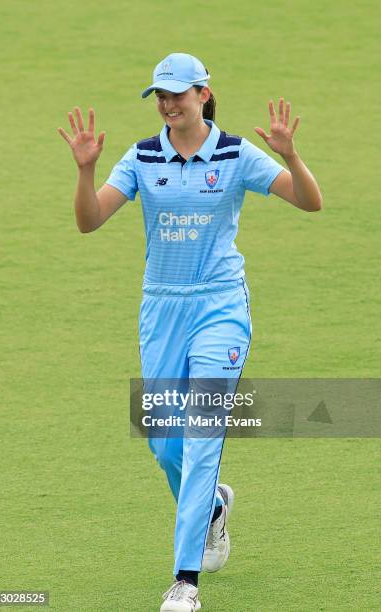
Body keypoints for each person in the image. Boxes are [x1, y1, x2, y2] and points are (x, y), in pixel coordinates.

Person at [58, 52, 322, 612]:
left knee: (202, 436)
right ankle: (214, 509)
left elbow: (309, 201)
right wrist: (85, 171)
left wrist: (291, 157)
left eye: (178, 92)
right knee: (164, 445)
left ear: (204, 94)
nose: (168, 102)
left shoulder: (233, 153)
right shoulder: (141, 156)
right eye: (160, 93)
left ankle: (185, 582)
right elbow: (89, 220)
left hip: (220, 307)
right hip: (162, 310)